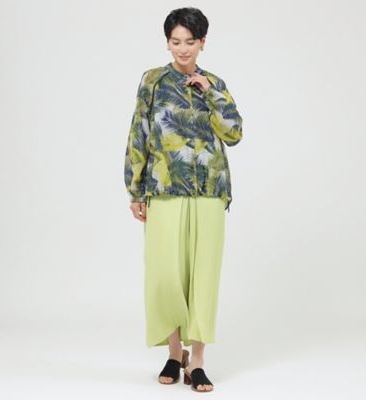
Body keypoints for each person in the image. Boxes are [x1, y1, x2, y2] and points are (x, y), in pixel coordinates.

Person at [124, 7, 243, 392]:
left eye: (190, 42)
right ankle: (175, 354)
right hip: (163, 188)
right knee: (165, 275)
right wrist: (135, 188)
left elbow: (234, 134)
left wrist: (211, 93)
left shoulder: (215, 83)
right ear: (167, 43)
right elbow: (139, 133)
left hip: (209, 189)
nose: (182, 49)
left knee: (203, 276)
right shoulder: (153, 81)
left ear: (202, 42)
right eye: (176, 42)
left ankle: (199, 361)